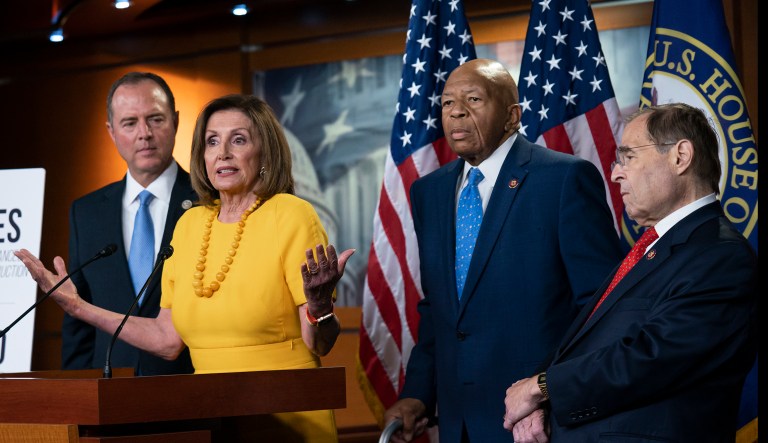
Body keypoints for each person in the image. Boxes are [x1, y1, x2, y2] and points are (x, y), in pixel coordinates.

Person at [15, 94, 354, 443]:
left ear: (265, 153)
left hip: (286, 415)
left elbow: (320, 344)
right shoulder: (191, 224)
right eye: (212, 141)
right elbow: (167, 339)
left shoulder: (291, 215)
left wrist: (318, 307)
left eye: (238, 140)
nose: (222, 152)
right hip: (211, 416)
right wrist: (78, 306)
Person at [382, 58, 623, 443]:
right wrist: (418, 394)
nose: (456, 111)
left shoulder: (563, 179)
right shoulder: (429, 192)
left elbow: (600, 307)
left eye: (473, 99)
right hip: (458, 421)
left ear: (512, 116)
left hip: (540, 422)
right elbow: (440, 308)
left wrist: (550, 392)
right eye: (447, 103)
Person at [502, 103, 758, 443]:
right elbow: (590, 341)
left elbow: (653, 358)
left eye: (629, 158)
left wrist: (543, 387)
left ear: (680, 156)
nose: (615, 174)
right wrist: (541, 401)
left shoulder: (720, 256)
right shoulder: (650, 249)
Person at [63, 71, 195, 375]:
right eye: (130, 123)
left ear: (175, 120)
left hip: (190, 391)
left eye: (156, 119)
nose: (144, 133)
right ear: (111, 131)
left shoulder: (209, 202)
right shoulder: (86, 212)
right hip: (109, 397)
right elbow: (78, 323)